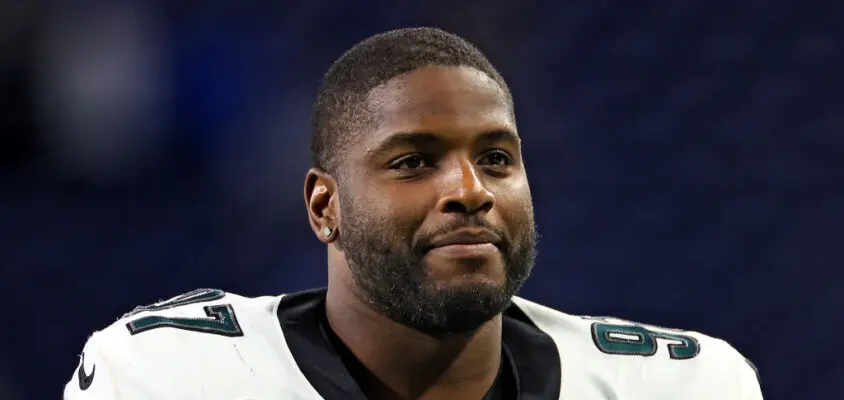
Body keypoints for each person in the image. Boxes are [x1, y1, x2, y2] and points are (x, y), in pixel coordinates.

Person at [64, 27, 763, 400]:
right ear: (323, 206)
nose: (469, 189)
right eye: (413, 162)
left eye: (496, 159)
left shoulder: (682, 388)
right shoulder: (172, 378)